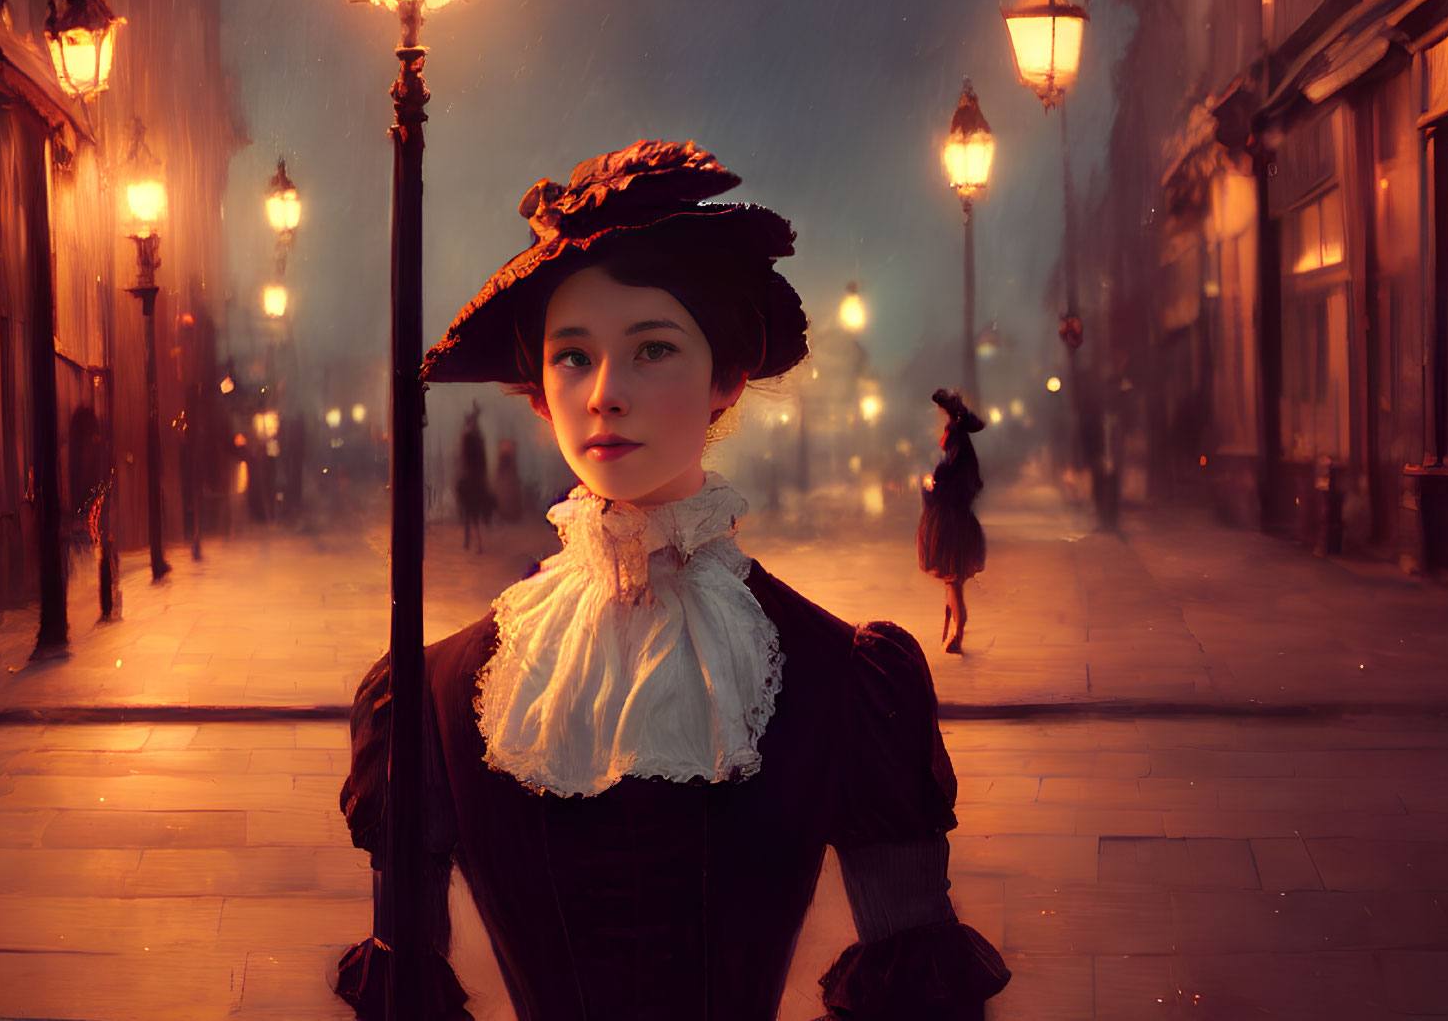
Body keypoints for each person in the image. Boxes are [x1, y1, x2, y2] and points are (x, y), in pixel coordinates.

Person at [335, 141, 1009, 1020]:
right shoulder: (434, 694)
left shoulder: (845, 679)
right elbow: (404, 993)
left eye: (651, 348)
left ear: (727, 378)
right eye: (571, 355)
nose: (604, 393)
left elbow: (916, 991)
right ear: (539, 389)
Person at [916, 389, 986, 655]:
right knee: (952, 581)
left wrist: (930, 486)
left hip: (950, 525)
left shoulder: (952, 463)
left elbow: (943, 492)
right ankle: (956, 631)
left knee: (952, 580)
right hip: (958, 521)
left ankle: (957, 634)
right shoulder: (961, 460)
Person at [456, 404, 494, 552]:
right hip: (471, 474)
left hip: (476, 475)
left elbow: (480, 458)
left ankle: (477, 542)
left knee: (475, 511)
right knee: (469, 510)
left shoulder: (474, 438)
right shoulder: (470, 438)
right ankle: (471, 541)